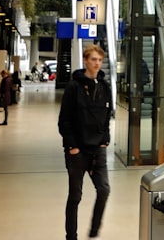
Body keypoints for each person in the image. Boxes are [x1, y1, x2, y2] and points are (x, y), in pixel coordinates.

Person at [58, 44, 112, 240]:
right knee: (75, 196)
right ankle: (71, 235)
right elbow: (64, 119)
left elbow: (107, 116)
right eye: (93, 60)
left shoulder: (105, 87)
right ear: (85, 61)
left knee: (104, 189)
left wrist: (105, 140)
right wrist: (72, 146)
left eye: (99, 60)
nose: (97, 63)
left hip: (98, 148)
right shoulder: (74, 87)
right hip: (77, 151)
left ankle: (94, 230)